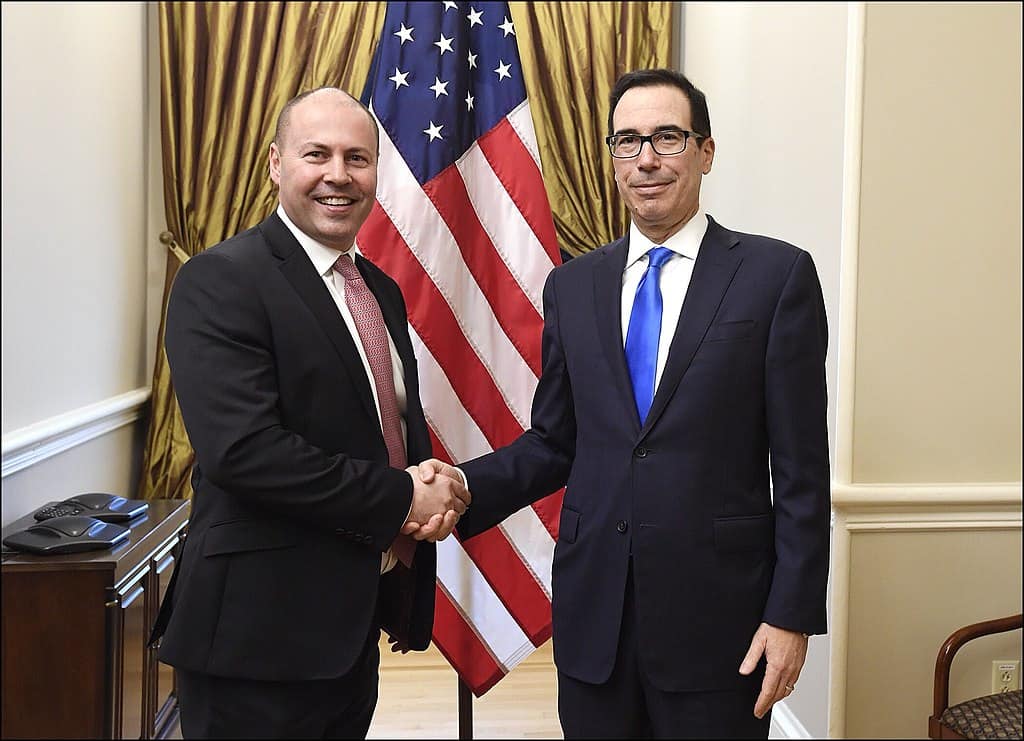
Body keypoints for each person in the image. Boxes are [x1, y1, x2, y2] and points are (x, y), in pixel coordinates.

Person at [416, 68, 831, 738]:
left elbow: (804, 473)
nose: (647, 159)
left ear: (705, 151)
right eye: (628, 141)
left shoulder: (775, 278)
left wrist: (790, 615)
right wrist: (464, 484)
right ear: (610, 156)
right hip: (595, 620)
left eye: (668, 137)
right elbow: (555, 441)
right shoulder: (573, 287)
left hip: (719, 623)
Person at [149, 87, 470, 739]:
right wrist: (402, 495)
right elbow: (244, 452)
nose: (338, 174)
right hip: (257, 644)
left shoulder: (378, 289)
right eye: (316, 154)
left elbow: (373, 428)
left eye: (358, 157)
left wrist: (424, 480)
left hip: (348, 635)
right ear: (275, 163)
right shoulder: (220, 280)